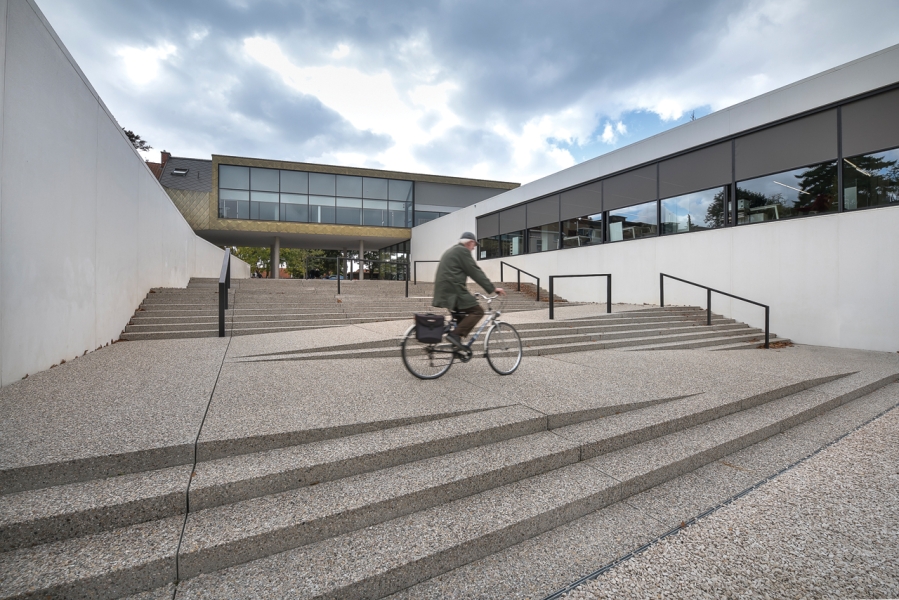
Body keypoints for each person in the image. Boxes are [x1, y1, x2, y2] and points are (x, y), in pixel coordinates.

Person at [433, 232, 505, 349]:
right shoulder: (462, 251)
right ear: (470, 242)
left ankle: (456, 347)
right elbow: (475, 272)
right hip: (453, 291)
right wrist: (493, 288)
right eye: (474, 246)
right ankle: (454, 336)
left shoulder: (453, 250)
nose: (473, 249)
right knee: (478, 311)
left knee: (462, 317)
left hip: (445, 290)